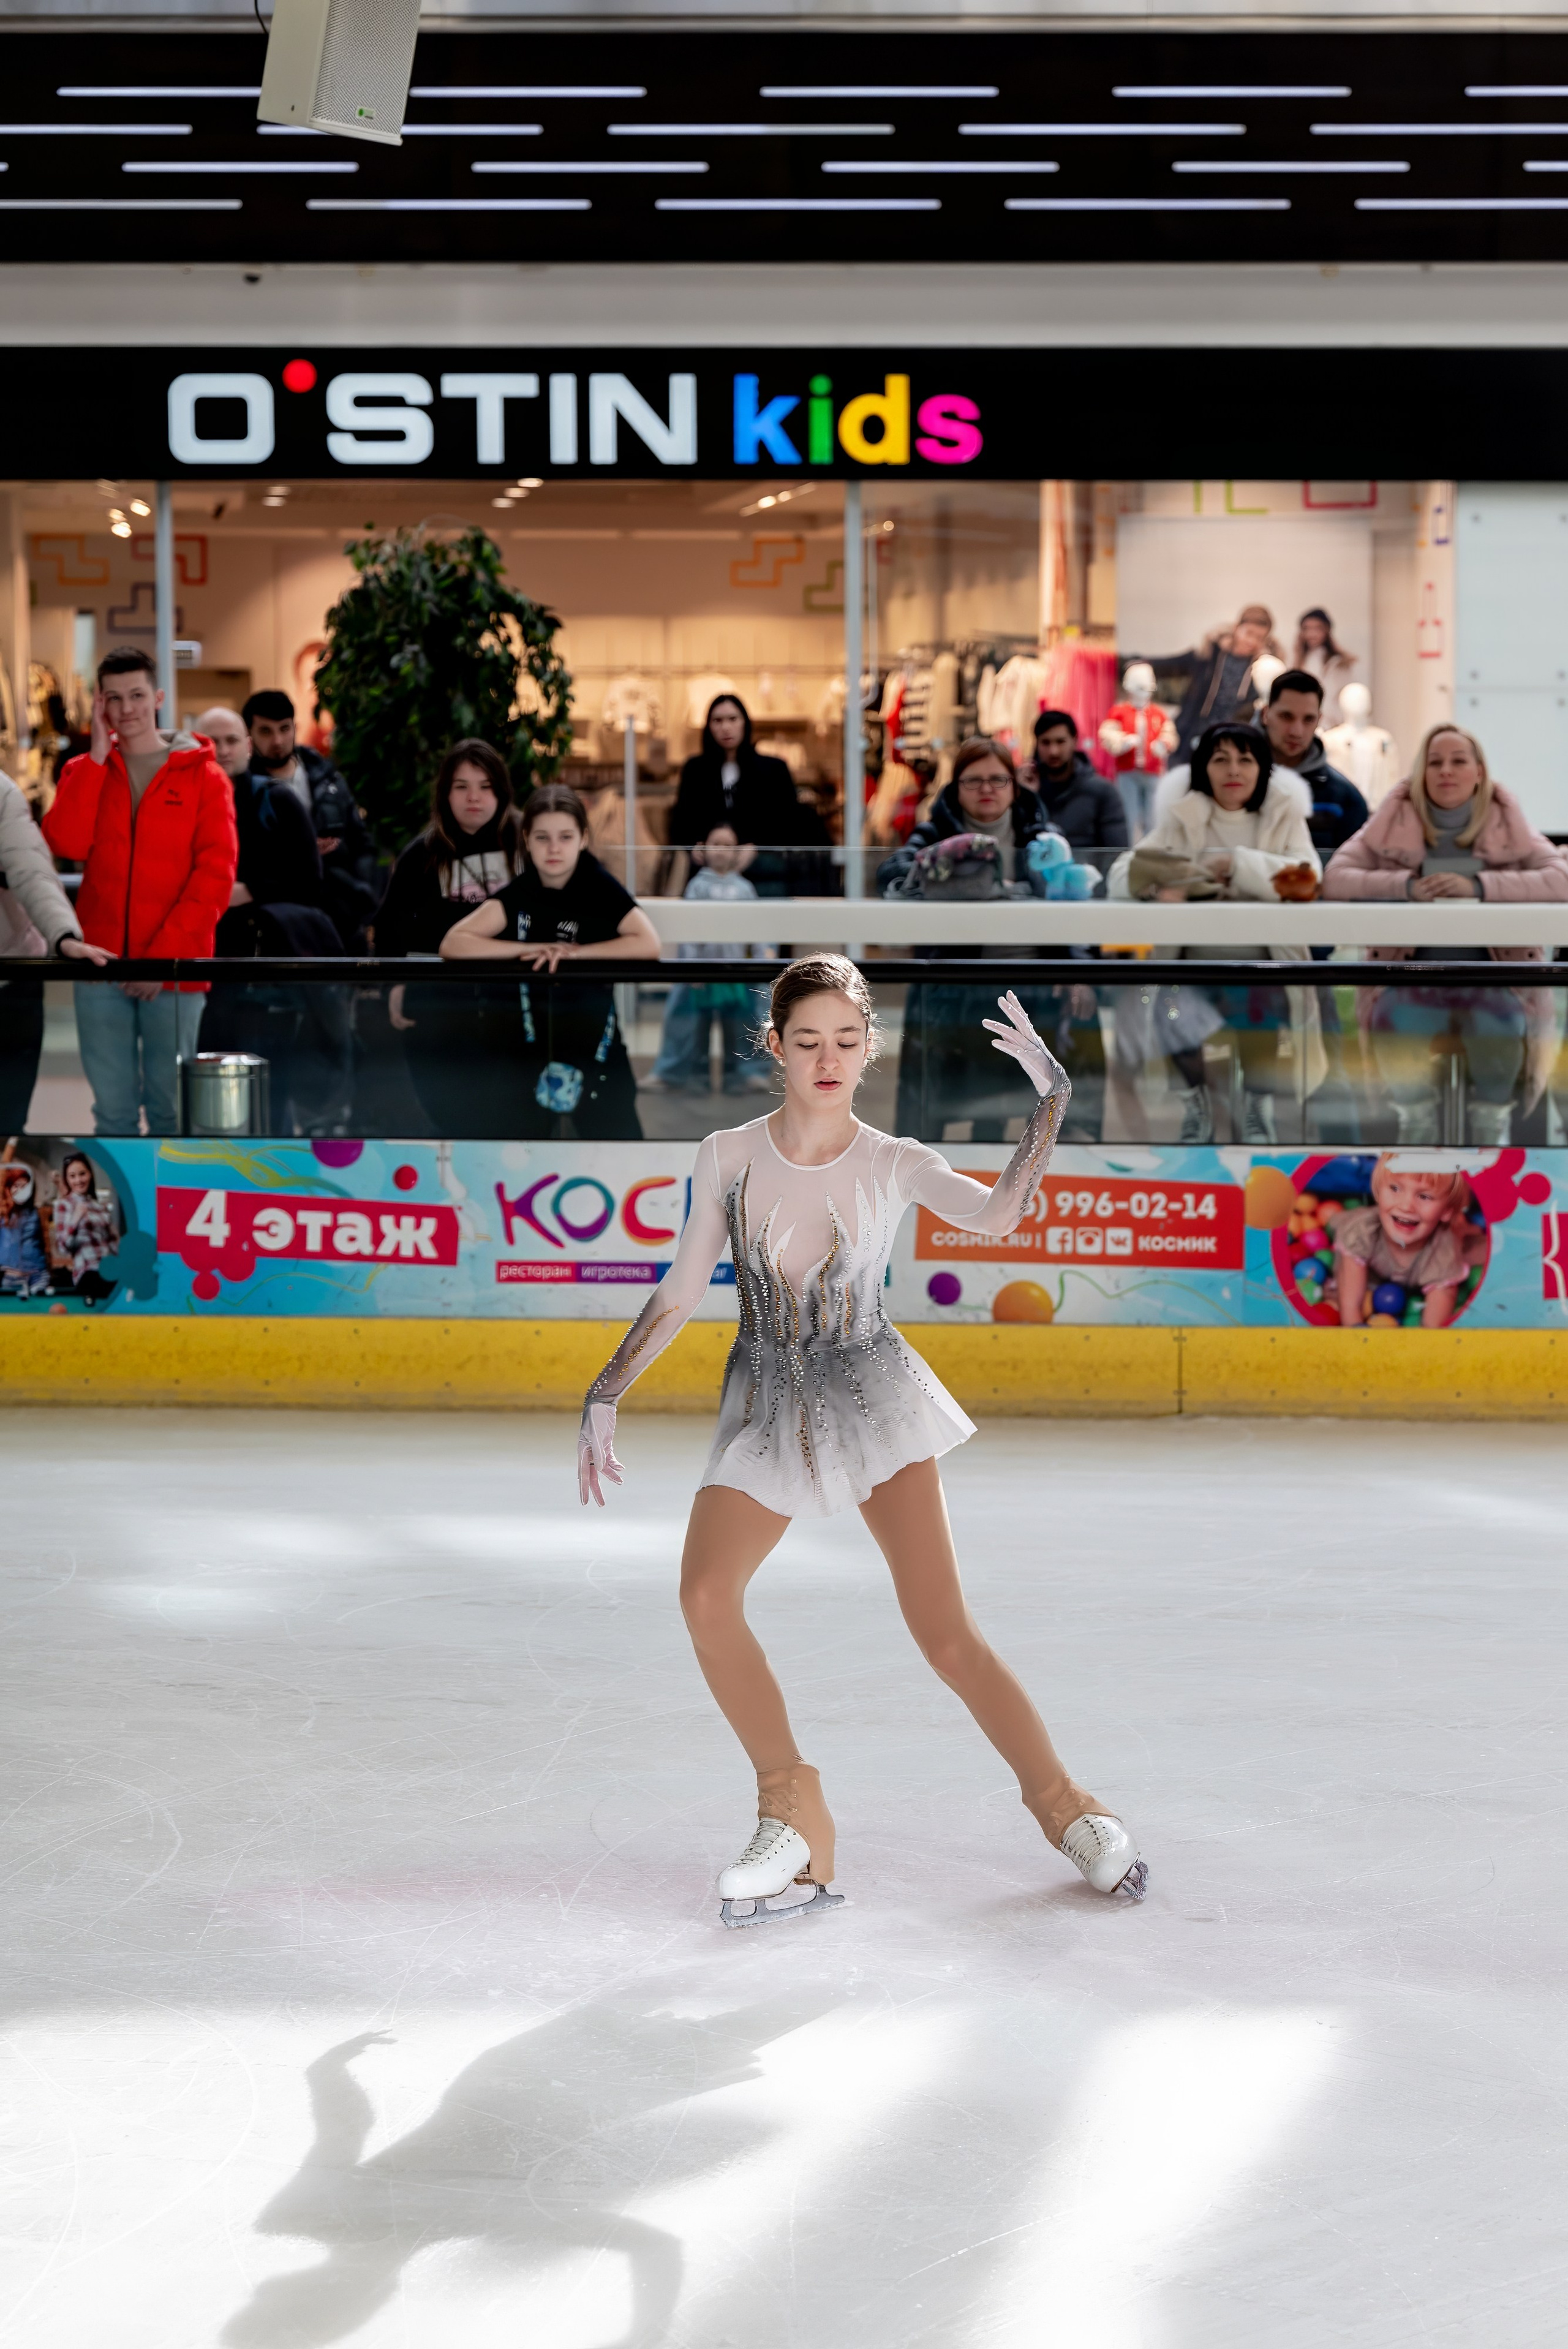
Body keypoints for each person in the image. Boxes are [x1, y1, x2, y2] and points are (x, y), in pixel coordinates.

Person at [576, 957, 1147, 1923]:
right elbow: (681, 1291)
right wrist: (605, 1390)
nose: (828, 1057)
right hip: (767, 1393)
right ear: (776, 1047)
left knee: (946, 1635)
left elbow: (998, 1211)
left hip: (870, 1390)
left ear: (870, 1046)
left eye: (847, 1039)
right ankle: (792, 1811)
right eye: (807, 1040)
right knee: (707, 1594)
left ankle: (1067, 1807)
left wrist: (1051, 1099)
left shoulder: (894, 1158)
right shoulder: (725, 1152)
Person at [1322, 723, 1568, 1145]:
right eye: (1435, 762)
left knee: (1502, 1022)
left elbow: (1560, 878)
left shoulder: (1507, 819)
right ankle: (1415, 1129)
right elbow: (1336, 877)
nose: (1446, 771)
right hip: (1412, 981)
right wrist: (1406, 886)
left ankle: (1492, 1135)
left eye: (1458, 761)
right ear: (1420, 773)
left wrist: (1480, 888)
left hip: (1495, 982)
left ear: (1479, 772)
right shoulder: (1392, 818)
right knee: (1396, 1018)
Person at [42, 647, 236, 1137]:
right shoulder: (83, 771)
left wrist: (162, 959)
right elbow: (63, 842)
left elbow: (215, 875)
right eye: (114, 698)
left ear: (158, 698)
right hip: (99, 964)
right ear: (99, 704)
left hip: (175, 970)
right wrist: (96, 759)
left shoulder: (205, 777)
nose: (126, 708)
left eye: (136, 695)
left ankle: (167, 1212)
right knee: (112, 1111)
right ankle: (126, 1215)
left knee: (172, 1110)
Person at [1107, 722, 1323, 1144]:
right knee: (1172, 1006)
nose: (1233, 770)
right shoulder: (1182, 817)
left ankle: (1254, 1110)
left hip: (1264, 965)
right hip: (1193, 968)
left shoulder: (1284, 814)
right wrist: (1156, 888)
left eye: (1246, 759)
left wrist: (1236, 864)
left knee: (1263, 1008)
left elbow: (1308, 881)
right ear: (1203, 767)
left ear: (1263, 769)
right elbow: (1120, 876)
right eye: (1220, 758)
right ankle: (1197, 1106)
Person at [879, 737, 1103, 1142]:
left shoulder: (1042, 836)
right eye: (974, 780)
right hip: (955, 990)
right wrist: (945, 862)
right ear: (956, 787)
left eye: (998, 780)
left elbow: (1072, 906)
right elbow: (891, 875)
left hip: (1036, 990)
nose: (987, 789)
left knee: (1030, 1105)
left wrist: (1078, 968)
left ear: (1014, 786)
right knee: (960, 1101)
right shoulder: (936, 831)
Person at [441, 780, 661, 1138]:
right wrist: (527, 951)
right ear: (526, 840)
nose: (554, 848)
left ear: (583, 839)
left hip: (596, 1045)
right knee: (520, 1156)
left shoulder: (599, 886)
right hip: (526, 1048)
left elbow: (648, 943)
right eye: (542, 838)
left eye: (565, 837)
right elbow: (454, 943)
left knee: (616, 1150)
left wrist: (577, 955)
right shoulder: (522, 890)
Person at [374, 740, 530, 1137]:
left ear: (502, 791)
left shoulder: (529, 847)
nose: (473, 797)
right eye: (461, 786)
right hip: (437, 1013)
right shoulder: (420, 855)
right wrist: (393, 986)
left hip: (514, 1013)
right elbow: (388, 930)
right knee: (451, 1122)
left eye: (484, 785)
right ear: (445, 793)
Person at [0, 768, 111, 1131]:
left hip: (12, 975)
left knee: (8, 1122)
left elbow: (32, 868)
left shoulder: (3, 792)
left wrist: (63, 936)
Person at [645, 823, 775, 1095]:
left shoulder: (745, 888)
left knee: (747, 1019)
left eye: (728, 845)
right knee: (686, 1020)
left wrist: (764, 951)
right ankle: (673, 1072)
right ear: (703, 849)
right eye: (716, 843)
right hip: (701, 970)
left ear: (737, 852)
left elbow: (758, 926)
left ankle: (749, 1073)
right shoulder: (696, 886)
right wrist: (691, 967)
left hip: (737, 971)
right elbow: (689, 930)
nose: (721, 850)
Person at [242, 688, 377, 948]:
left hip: (339, 917)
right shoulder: (245, 791)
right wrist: (303, 851)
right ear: (250, 735)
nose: (278, 740)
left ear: (295, 727)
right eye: (266, 731)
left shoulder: (326, 778)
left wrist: (363, 893)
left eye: (284, 729)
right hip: (278, 923)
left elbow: (361, 842)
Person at [668, 695, 810, 894]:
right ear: (709, 726)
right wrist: (694, 846)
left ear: (745, 723)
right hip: (709, 875)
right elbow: (680, 822)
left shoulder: (774, 769)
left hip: (762, 871)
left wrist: (757, 847)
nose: (726, 727)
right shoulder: (695, 770)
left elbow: (790, 823)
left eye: (733, 719)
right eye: (718, 721)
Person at [1333, 1156, 1471, 1330]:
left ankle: (1462, 1221)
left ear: (1445, 1211)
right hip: (1349, 1230)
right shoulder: (1362, 1232)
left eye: (1424, 1196)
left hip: (1448, 1234)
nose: (1406, 1206)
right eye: (1395, 1188)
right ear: (1377, 1192)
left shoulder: (1443, 1253)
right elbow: (1351, 1312)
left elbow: (1434, 1331)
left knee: (1469, 1243)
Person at [1259, 670, 1369, 864]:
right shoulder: (1233, 782)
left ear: (1319, 719)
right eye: (1287, 717)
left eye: (1308, 720)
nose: (1297, 731)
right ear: (1266, 714)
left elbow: (1352, 871)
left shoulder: (1344, 798)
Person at [1145, 605, 1279, 764]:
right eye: (1249, 633)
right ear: (1237, 628)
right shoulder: (1210, 654)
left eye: (1260, 638)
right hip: (1193, 733)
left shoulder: (1262, 668)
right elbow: (1172, 665)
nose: (1252, 641)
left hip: (1232, 739)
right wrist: (1137, 663)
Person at [1019, 708, 1129, 867]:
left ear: (1074, 741)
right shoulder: (1026, 790)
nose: (1053, 751)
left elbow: (1117, 855)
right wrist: (1027, 798)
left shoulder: (1102, 792)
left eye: (1060, 742)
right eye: (1046, 742)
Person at [48, 1147, 118, 1305]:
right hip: (89, 1274)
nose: (78, 1180)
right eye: (72, 1176)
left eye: (82, 1174)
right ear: (67, 1180)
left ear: (90, 1174)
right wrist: (76, 1220)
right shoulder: (64, 1205)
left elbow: (113, 1246)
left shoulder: (99, 1207)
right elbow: (63, 1247)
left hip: (110, 1270)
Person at [1293, 608, 1357, 727]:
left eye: (1317, 628)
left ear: (1327, 630)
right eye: (1307, 629)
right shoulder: (1299, 662)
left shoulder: (1338, 664)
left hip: (1330, 724)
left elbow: (1333, 698)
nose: (1312, 634)